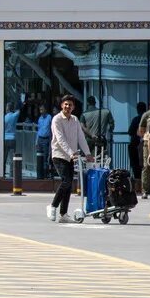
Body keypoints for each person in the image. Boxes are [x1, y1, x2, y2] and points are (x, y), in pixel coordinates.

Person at [47, 95, 91, 223]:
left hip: (72, 156)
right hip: (59, 155)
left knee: (69, 184)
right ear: (62, 105)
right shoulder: (56, 119)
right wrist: (71, 153)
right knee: (66, 181)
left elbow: (81, 137)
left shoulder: (75, 120)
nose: (68, 107)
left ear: (73, 107)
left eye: (70, 105)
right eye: (66, 104)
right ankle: (53, 206)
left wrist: (87, 153)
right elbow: (60, 139)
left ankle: (63, 214)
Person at [81, 96, 114, 160]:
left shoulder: (84, 114)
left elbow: (82, 126)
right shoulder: (106, 112)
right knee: (101, 159)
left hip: (89, 140)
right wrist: (110, 131)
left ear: (87, 103)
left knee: (86, 159)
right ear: (95, 103)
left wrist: (92, 135)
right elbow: (111, 124)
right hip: (101, 139)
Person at [127, 101, 147, 190]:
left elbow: (130, 131)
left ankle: (138, 187)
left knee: (135, 165)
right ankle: (146, 186)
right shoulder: (147, 119)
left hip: (135, 145)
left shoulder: (136, 119)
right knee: (145, 165)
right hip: (145, 144)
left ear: (137, 109)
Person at [35, 104, 54, 178]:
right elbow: (38, 130)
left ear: (45, 110)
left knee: (46, 157)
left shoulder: (49, 117)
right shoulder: (40, 118)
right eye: (40, 110)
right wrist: (36, 141)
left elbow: (52, 128)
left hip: (46, 139)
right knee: (39, 157)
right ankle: (40, 174)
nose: (41, 111)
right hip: (40, 138)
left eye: (42, 110)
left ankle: (45, 174)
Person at [3, 103, 19, 176]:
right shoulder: (14, 116)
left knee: (4, 157)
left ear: (7, 109)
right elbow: (19, 110)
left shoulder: (4, 117)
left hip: (5, 138)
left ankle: (3, 172)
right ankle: (12, 174)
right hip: (12, 138)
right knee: (12, 157)